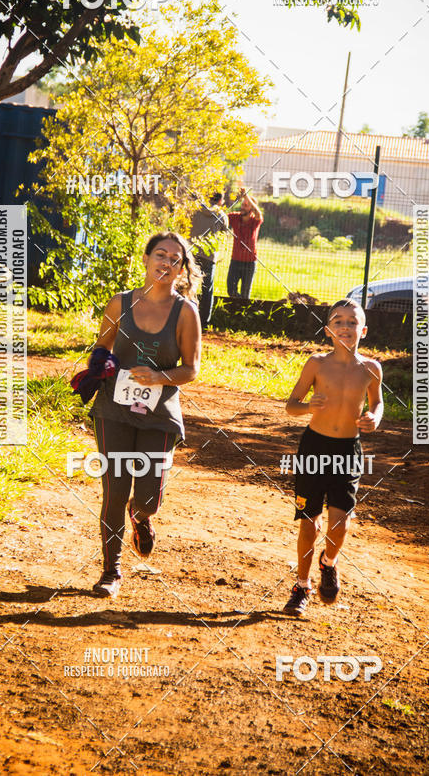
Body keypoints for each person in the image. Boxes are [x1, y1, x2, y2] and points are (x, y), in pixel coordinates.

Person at [89, 233, 201, 599]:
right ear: (146, 258)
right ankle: (111, 571)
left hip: (159, 413)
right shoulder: (119, 304)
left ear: (182, 269)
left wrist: (158, 377)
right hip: (113, 409)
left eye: (175, 258)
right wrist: (99, 365)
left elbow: (191, 369)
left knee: (148, 496)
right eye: (160, 254)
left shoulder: (186, 313)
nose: (166, 262)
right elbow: (101, 347)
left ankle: (142, 516)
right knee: (115, 489)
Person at [282, 299, 383, 615]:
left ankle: (329, 563)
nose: (345, 327)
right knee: (309, 522)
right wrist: (308, 407)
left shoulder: (371, 368)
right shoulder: (316, 364)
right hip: (314, 448)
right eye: (338, 321)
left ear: (363, 330)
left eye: (352, 322)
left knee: (340, 523)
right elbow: (291, 404)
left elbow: (377, 404)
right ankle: (301, 586)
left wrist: (374, 418)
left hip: (348, 451)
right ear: (328, 331)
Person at [189, 192, 229, 330]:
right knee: (207, 290)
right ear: (220, 201)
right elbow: (225, 234)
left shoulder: (195, 211)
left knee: (189, 286)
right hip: (209, 256)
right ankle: (204, 323)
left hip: (192, 254)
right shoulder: (221, 216)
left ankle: (185, 318)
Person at [226, 188, 263, 299]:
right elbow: (222, 217)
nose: (242, 207)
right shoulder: (235, 217)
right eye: (242, 204)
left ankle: (242, 311)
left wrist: (246, 196)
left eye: (246, 205)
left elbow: (258, 213)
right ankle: (237, 307)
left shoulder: (255, 221)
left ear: (252, 208)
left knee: (245, 295)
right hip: (235, 261)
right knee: (231, 291)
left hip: (250, 263)